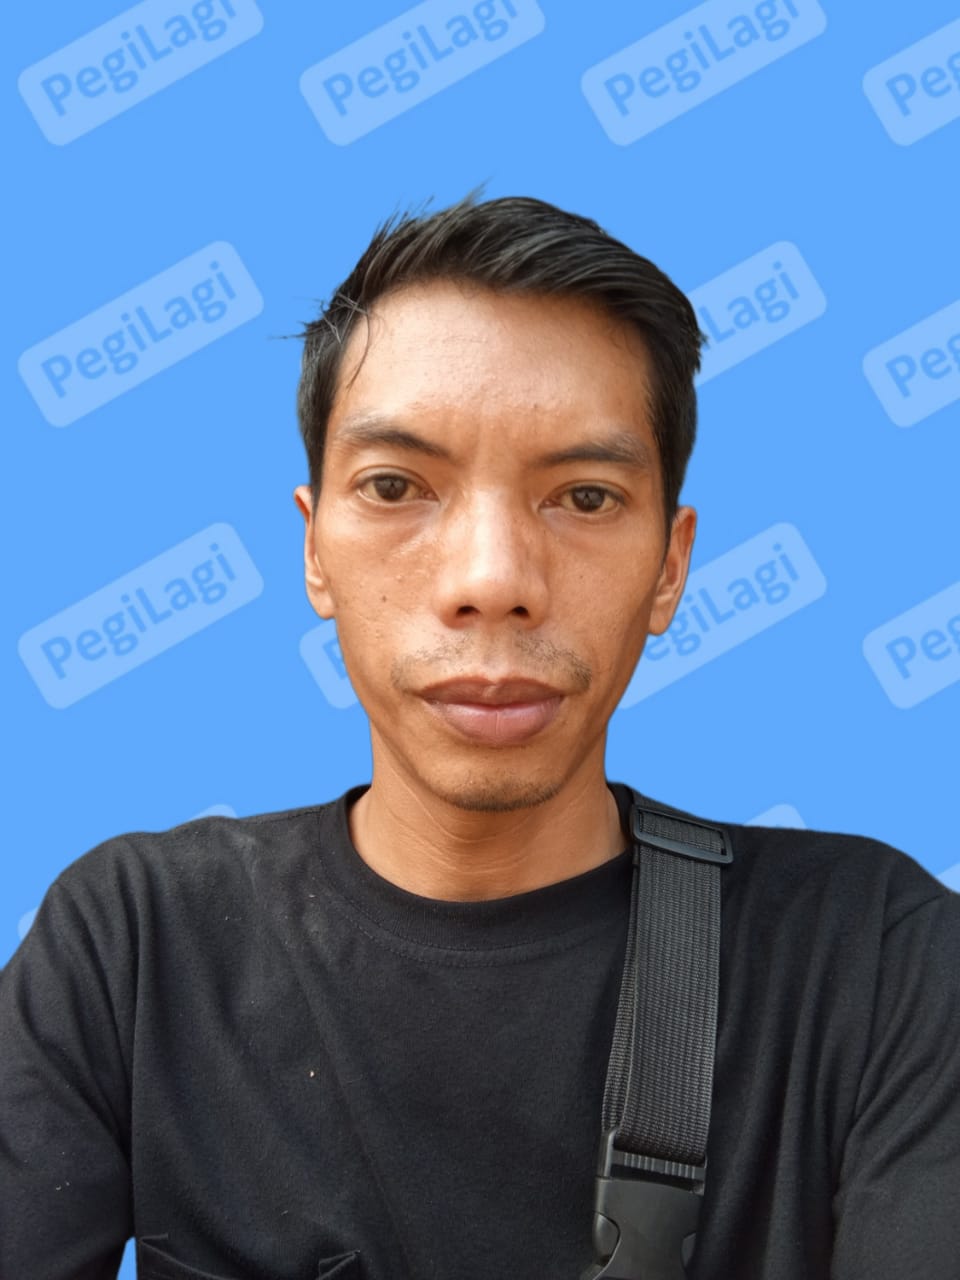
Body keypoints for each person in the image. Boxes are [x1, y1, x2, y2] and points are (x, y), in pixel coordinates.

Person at [2, 193, 958, 1280]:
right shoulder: (135, 948)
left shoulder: (874, 960)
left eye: (584, 497)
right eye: (396, 486)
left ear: (670, 565)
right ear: (314, 550)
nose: (492, 579)